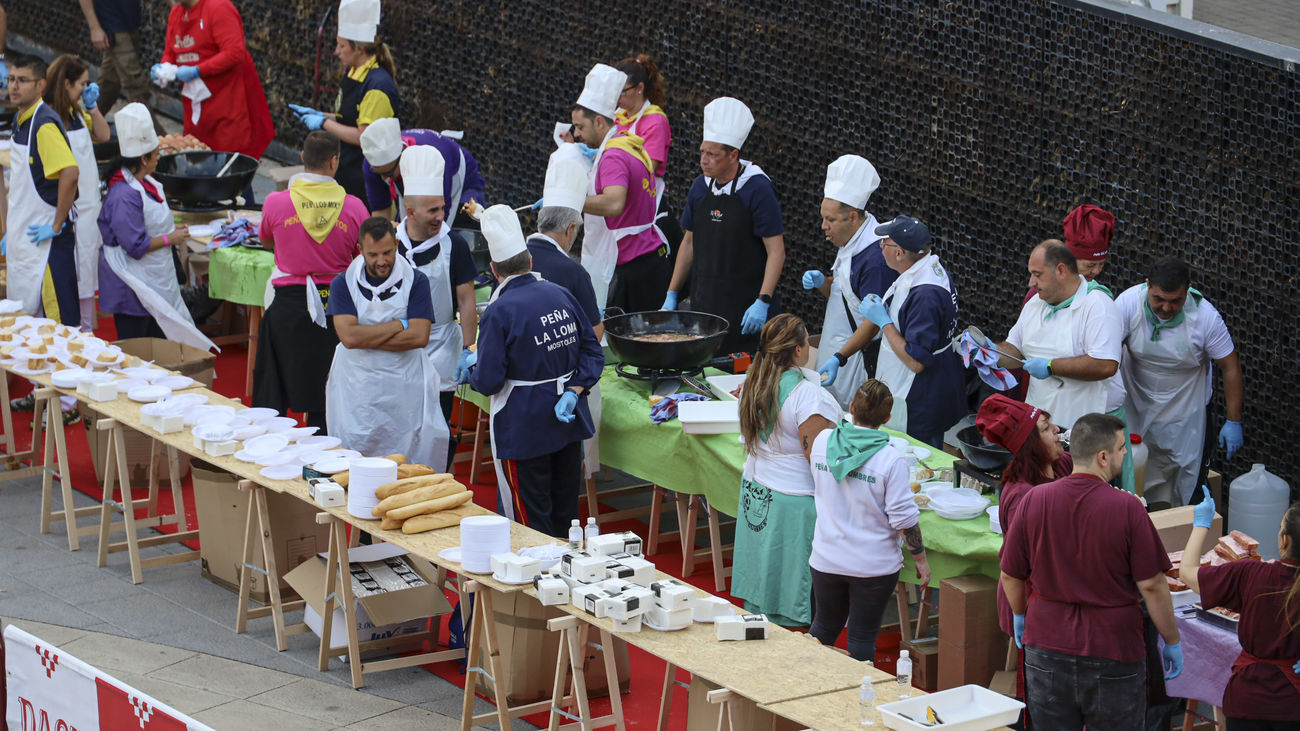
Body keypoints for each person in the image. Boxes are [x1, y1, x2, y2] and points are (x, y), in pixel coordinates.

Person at [1001, 412, 1182, 729]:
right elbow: (1152, 584)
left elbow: (1010, 574)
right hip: (1112, 651)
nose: (1125, 455)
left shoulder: (1034, 500)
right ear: (1102, 456)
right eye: (1121, 448)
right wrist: (1172, 639)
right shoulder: (1127, 508)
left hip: (1046, 646)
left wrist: (1020, 613)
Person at [466, 205, 604, 537]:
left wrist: (471, 369)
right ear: (530, 261)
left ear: (494, 271)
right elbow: (592, 352)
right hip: (566, 425)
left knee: (527, 527)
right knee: (564, 517)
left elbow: (488, 381)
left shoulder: (499, 311)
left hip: (524, 428)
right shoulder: (561, 294)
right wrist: (574, 391)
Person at [808, 379, 931, 660]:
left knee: (822, 630)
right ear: (888, 418)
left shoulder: (823, 442)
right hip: (872, 567)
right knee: (862, 638)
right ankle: (860, 701)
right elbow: (904, 520)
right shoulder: (890, 460)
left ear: (851, 408)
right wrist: (921, 560)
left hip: (826, 559)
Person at [253, 130, 366, 433]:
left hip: (287, 306)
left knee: (272, 385)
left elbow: (266, 241)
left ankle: (270, 445)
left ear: (302, 158)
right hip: (335, 307)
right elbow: (363, 257)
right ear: (334, 161)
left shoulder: (276, 203)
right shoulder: (354, 207)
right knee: (326, 388)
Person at [733, 314, 839, 627]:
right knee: (794, 592)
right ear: (798, 350)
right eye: (808, 342)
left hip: (757, 489)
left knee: (765, 579)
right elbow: (819, 459)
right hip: (794, 502)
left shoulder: (754, 380)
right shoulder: (807, 395)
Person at [663, 96, 785, 355]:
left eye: (712, 154)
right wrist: (672, 293)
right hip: (706, 303)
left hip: (746, 306)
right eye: (702, 152)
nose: (704, 160)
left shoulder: (758, 189)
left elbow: (776, 251)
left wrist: (763, 300)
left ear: (733, 155)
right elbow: (688, 242)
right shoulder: (699, 187)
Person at [1116, 257, 1242, 505]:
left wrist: (1233, 419)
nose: (1166, 307)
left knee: (1187, 476)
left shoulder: (1206, 318)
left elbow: (1230, 367)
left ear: (1188, 291)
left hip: (1186, 411)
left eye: (1175, 301)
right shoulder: (1128, 303)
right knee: (1132, 473)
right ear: (1147, 285)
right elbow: (1108, 352)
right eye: (1158, 299)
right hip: (1135, 403)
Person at [324, 217, 448, 470]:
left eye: (387, 252)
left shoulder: (417, 280)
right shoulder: (342, 283)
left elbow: (419, 337)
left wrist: (365, 336)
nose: (381, 261)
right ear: (360, 251)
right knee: (355, 449)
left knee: (405, 452)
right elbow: (348, 338)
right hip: (356, 386)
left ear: (397, 244)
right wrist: (399, 324)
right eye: (373, 254)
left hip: (403, 385)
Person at [976, 393, 1071, 716]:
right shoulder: (1022, 495)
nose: (1058, 430)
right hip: (1027, 596)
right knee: (1037, 685)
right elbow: (1023, 564)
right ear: (1032, 443)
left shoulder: (1061, 466)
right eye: (1047, 428)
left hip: (1053, 596)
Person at [96, 103, 214, 350]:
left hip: (153, 278)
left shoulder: (146, 182)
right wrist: (172, 238)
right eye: (157, 155)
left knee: (161, 345)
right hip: (132, 284)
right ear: (143, 158)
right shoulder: (123, 196)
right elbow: (135, 246)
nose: (159, 159)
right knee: (138, 349)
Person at [1181, 490, 1300, 728]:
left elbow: (1187, 573)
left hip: (1247, 703)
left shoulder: (1251, 573)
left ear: (1284, 540)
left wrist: (1201, 525)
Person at [843, 216, 965, 447]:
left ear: (899, 253)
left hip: (919, 398)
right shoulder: (928, 269)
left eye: (884, 244)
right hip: (931, 389)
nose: (880, 248)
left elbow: (916, 362)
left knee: (918, 457)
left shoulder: (925, 295)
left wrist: (884, 321)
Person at [390, 145, 477, 462]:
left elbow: (466, 301)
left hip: (440, 350)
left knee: (437, 435)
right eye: (432, 212)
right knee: (399, 433)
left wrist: (470, 350)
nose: (441, 216)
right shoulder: (390, 242)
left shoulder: (454, 245)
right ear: (410, 211)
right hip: (396, 348)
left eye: (442, 208)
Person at [990, 240, 1121, 432]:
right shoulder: (1035, 303)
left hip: (1080, 429)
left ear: (1061, 270)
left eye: (1037, 275)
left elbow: (1105, 364)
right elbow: (1016, 352)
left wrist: (1051, 366)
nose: (1031, 283)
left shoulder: (1097, 305)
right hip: (1037, 424)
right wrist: (990, 352)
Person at [529, 155, 605, 484]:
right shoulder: (573, 272)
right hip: (562, 390)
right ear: (571, 228)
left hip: (518, 396)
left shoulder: (514, 256)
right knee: (560, 491)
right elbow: (595, 331)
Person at [802, 154, 898, 408]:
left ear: (853, 217)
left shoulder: (875, 259)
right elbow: (847, 294)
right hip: (836, 352)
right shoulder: (849, 241)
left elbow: (874, 321)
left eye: (830, 220)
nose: (823, 226)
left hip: (855, 363)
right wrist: (824, 282)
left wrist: (839, 357)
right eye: (823, 217)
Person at [570, 63, 665, 313]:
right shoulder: (623, 144)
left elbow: (614, 203)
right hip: (643, 257)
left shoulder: (613, 156)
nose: (576, 134)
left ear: (600, 122)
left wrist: (569, 199)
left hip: (631, 264)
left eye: (581, 127)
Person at [290, 0, 398, 201]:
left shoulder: (377, 86)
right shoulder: (355, 72)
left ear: (359, 49)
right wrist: (321, 114)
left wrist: (324, 123)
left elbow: (363, 136)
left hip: (365, 178)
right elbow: (349, 117)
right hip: (346, 169)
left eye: (341, 46)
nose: (336, 51)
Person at [5, 54, 80, 327]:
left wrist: (57, 225)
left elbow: (70, 174)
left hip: (48, 247)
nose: (14, 86)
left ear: (40, 85)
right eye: (11, 79)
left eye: (22, 80)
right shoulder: (20, 119)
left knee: (58, 329)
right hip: (26, 239)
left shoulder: (44, 124)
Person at [153, 0, 274, 161]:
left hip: (229, 103)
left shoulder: (218, 8)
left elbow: (234, 52)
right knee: (198, 161)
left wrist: (198, 70)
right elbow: (171, 51)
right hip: (198, 108)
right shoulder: (177, 13)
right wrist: (164, 68)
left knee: (231, 167)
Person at [44, 55, 109, 333]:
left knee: (87, 264)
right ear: (67, 83)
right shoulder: (49, 119)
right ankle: (78, 329)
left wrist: (93, 108)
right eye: (82, 83)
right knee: (75, 270)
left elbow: (104, 136)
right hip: (68, 206)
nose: (85, 87)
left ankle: (87, 327)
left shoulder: (77, 115)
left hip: (89, 205)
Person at [358, 118, 485, 227]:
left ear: (402, 157)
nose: (384, 178)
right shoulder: (372, 164)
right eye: (379, 173)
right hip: (407, 174)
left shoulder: (434, 159)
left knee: (460, 228)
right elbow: (380, 213)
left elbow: (440, 213)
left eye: (389, 173)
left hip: (459, 180)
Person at [613, 54, 680, 252]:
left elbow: (649, 167)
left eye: (622, 91)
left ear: (640, 88)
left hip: (646, 200)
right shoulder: (617, 115)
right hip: (621, 196)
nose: (617, 97)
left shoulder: (655, 121)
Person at [77, 0, 156, 119]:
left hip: (130, 22)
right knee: (134, 82)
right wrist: (94, 27)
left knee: (109, 82)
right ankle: (154, 134)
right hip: (112, 25)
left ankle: (87, 125)